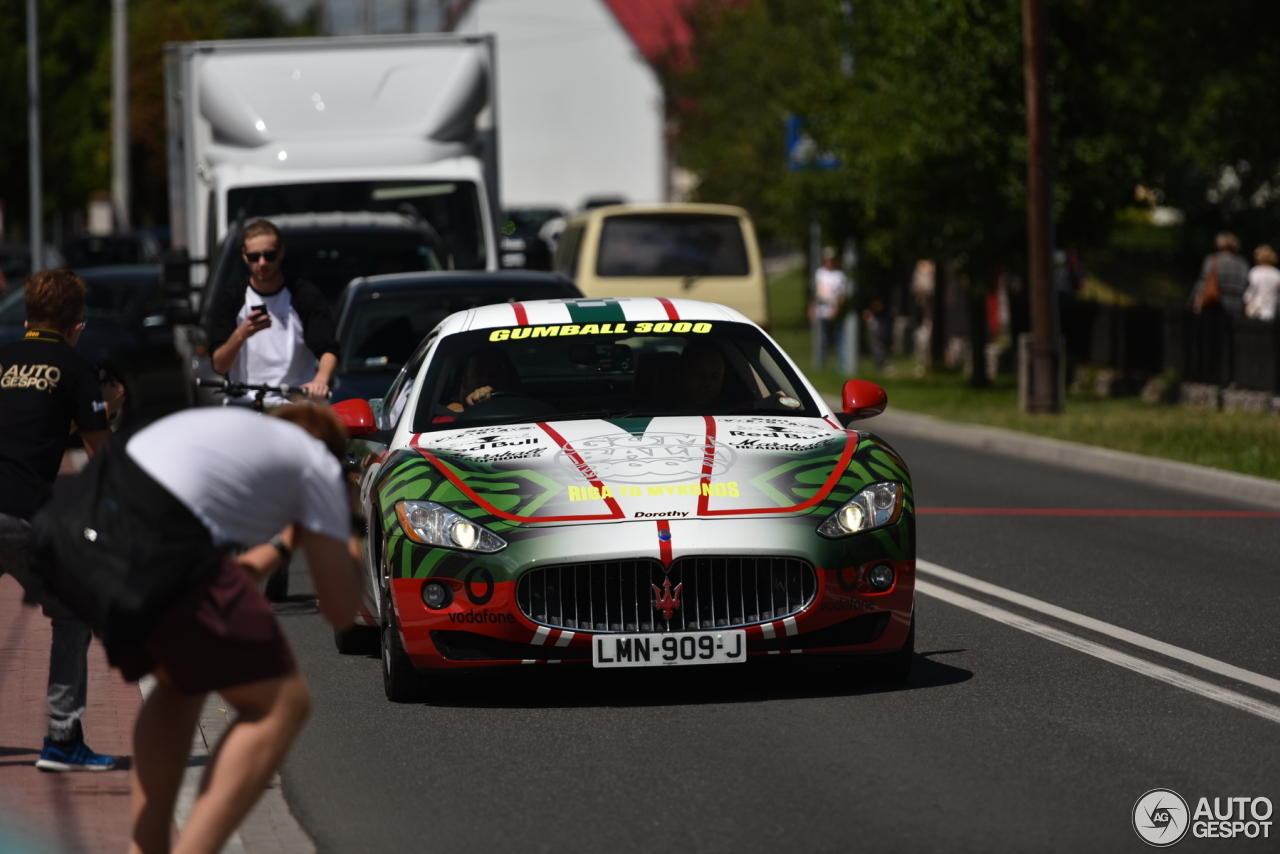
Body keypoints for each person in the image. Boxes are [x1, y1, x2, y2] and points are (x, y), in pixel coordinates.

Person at [36, 404, 362, 854]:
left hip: (80, 529)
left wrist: (289, 541)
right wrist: (351, 524)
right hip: (157, 536)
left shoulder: (238, 441)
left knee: (181, 683)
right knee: (282, 704)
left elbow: (231, 578)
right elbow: (343, 610)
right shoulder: (317, 463)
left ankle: (145, 847)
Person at [0, 270, 123, 772]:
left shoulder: (2, 358)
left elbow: (26, 421)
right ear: (77, 325)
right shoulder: (76, 369)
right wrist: (107, 413)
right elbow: (101, 456)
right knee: (71, 612)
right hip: (24, 513)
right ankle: (62, 738)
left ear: (27, 315)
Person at [208, 219, 340, 406]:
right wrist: (241, 333)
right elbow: (220, 365)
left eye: (269, 255)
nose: (262, 263)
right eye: (254, 257)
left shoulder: (304, 295)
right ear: (245, 256)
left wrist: (320, 380)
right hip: (246, 403)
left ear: (281, 252)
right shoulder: (231, 298)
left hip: (295, 403)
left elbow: (327, 348)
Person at [811, 246, 852, 370]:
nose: (829, 262)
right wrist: (812, 307)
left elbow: (842, 295)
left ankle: (841, 363)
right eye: (827, 259)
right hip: (821, 311)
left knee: (838, 337)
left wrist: (836, 309)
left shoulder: (839, 275)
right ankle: (821, 363)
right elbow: (815, 292)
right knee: (822, 338)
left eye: (832, 259)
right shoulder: (819, 273)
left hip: (834, 311)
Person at [1192, 232, 1249, 317]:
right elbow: (1246, 284)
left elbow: (1203, 282)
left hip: (1215, 304)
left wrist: (1195, 299)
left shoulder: (1212, 260)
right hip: (1237, 305)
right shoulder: (1242, 263)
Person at [1244, 244, 1280, 322]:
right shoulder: (1277, 274)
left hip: (1255, 310)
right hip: (1270, 310)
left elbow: (1249, 293)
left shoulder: (1255, 272)